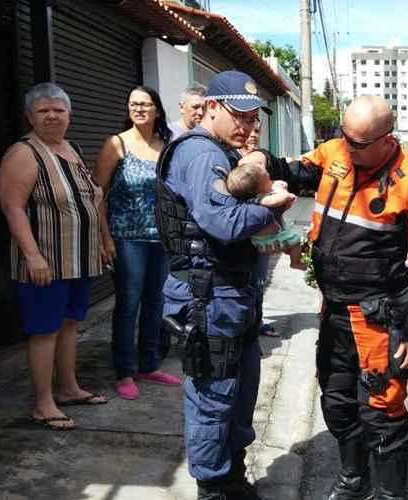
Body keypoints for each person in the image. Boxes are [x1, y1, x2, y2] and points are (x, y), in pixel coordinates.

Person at [266, 95, 408, 500]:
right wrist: (258, 159)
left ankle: (392, 494)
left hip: (378, 317)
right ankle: (354, 481)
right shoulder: (334, 153)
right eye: (345, 136)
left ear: (386, 139)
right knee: (337, 403)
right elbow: (291, 170)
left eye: (358, 143)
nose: (348, 147)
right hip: (334, 309)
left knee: (382, 411)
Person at [156, 70, 277, 500]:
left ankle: (231, 478)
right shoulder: (202, 154)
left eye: (251, 117)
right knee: (214, 397)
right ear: (210, 107)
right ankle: (213, 487)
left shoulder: (221, 151)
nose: (245, 125)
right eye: (237, 114)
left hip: (229, 293)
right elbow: (222, 222)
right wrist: (271, 207)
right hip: (207, 295)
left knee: (239, 393)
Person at [0, 82, 108, 431]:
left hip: (79, 260)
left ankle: (70, 388)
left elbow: (93, 200)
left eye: (58, 110)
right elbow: (12, 207)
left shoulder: (71, 149)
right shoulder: (24, 153)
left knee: (70, 325)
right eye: (43, 110)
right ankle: (44, 404)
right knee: (44, 330)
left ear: (69, 115)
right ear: (30, 115)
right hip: (46, 263)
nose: (52, 116)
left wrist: (104, 238)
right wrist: (32, 256)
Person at [95, 86, 180, 400]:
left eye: (145, 104)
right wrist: (104, 237)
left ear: (157, 109)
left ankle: (149, 364)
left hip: (160, 238)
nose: (140, 109)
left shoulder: (167, 145)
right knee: (128, 305)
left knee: (155, 303)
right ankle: (124, 372)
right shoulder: (116, 144)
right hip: (126, 239)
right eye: (134, 104)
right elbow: (97, 195)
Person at [225, 152, 304, 270]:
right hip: (269, 239)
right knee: (296, 242)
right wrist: (287, 196)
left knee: (289, 243)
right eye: (267, 177)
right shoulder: (262, 199)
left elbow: (272, 188)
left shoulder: (256, 195)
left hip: (265, 238)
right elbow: (276, 201)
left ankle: (290, 252)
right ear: (260, 187)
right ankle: (295, 262)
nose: (270, 177)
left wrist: (277, 185)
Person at [238, 121, 281, 338]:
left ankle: (257, 324)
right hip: (241, 235)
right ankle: (248, 332)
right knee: (246, 283)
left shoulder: (264, 161)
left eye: (257, 131)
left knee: (259, 281)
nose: (252, 135)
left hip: (263, 233)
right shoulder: (230, 158)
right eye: (250, 130)